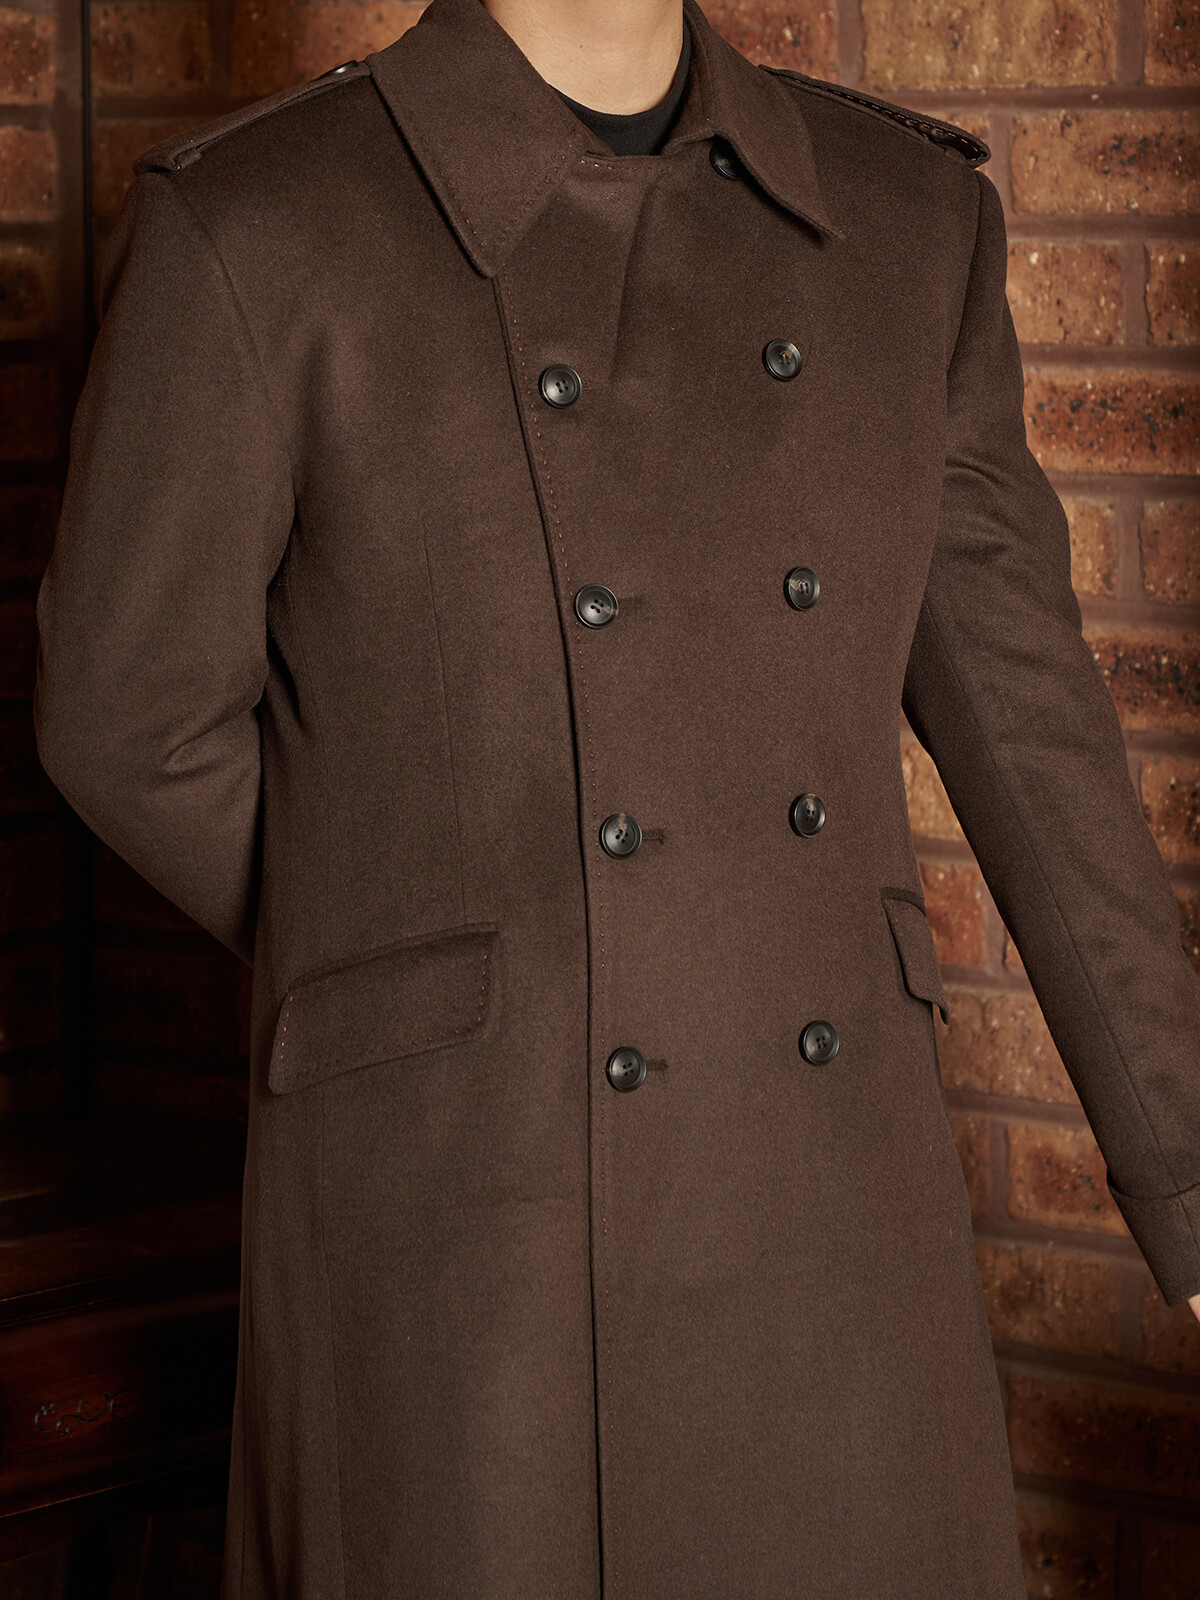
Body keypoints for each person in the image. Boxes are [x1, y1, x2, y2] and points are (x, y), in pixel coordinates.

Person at [31, 0, 1200, 1595]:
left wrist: (1185, 1167)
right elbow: (128, 717)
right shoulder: (260, 223)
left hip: (832, 1221)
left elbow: (1033, 724)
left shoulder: (907, 218)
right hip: (471, 1232)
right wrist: (440, 962)